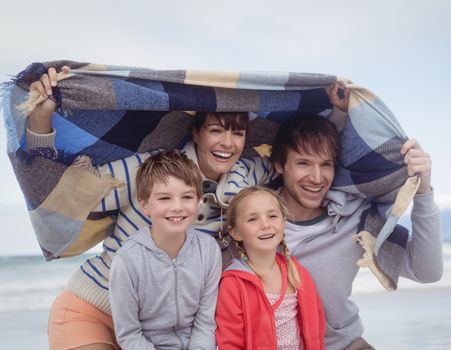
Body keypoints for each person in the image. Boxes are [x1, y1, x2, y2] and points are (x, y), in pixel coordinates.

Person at [25, 66, 349, 349]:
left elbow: (294, 161)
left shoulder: (248, 172)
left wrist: (337, 115)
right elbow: (67, 193)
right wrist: (41, 118)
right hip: (93, 307)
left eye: (237, 132)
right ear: (196, 133)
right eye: (216, 129)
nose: (227, 142)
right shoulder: (152, 170)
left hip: (159, 335)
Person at [270, 114, 443, 350]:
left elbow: (426, 270)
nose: (317, 177)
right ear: (279, 164)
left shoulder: (357, 219)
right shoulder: (251, 221)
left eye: (326, 164)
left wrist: (423, 193)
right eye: (303, 163)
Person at [109, 150, 221, 349]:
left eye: (187, 197)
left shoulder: (209, 251)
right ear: (145, 205)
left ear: (198, 200)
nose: (177, 207)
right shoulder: (127, 261)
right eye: (164, 198)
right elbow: (129, 334)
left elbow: (205, 323)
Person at [215, 186, 325, 349]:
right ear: (236, 232)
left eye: (272, 216)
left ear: (283, 222)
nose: (265, 224)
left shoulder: (296, 272)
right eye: (253, 219)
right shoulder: (233, 283)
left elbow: (317, 326)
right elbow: (230, 342)